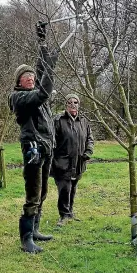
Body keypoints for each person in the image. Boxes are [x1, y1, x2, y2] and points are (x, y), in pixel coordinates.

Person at [9, 21, 58, 253]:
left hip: (46, 148)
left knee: (44, 191)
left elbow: (43, 72)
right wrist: (48, 71)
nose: (30, 78)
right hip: (32, 150)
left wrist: (43, 44)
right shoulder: (19, 98)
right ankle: (26, 238)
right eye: (25, 76)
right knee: (33, 193)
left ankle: (35, 229)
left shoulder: (36, 93)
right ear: (19, 82)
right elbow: (44, 91)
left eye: (31, 75)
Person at [52, 94, 94, 226]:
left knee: (73, 188)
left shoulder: (83, 121)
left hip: (79, 162)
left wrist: (88, 151)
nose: (73, 104)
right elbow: (51, 141)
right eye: (69, 102)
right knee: (64, 188)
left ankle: (70, 212)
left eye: (75, 102)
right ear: (66, 105)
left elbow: (90, 138)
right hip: (62, 162)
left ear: (79, 104)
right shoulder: (58, 120)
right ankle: (63, 215)